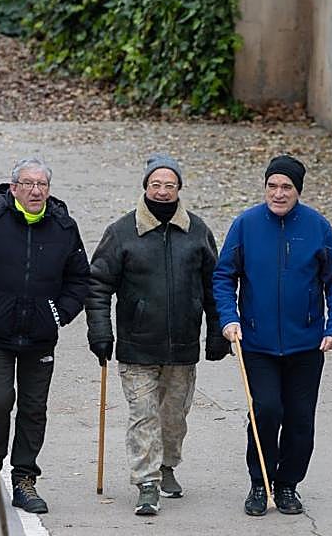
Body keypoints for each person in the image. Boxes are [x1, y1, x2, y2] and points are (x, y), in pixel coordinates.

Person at [85, 153, 230, 516]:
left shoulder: (197, 232)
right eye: (156, 184)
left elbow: (215, 287)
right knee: (143, 415)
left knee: (174, 417)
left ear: (179, 188)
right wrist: (100, 331)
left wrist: (217, 334)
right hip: (136, 346)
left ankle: (167, 467)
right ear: (145, 186)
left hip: (182, 346)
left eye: (170, 185)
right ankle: (146, 481)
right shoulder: (121, 232)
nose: (162, 191)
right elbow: (98, 285)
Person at [0, 157, 90, 514]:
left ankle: (24, 478)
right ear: (13, 188)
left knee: (33, 406)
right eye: (28, 184)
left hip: (40, 335)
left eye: (42, 185)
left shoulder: (63, 226)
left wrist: (59, 313)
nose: (36, 191)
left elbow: (80, 279)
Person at [212, 155, 332, 516]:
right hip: (256, 342)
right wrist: (229, 318)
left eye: (286, 186)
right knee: (266, 410)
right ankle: (260, 483)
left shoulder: (316, 226)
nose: (278, 193)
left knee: (300, 417)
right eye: (272, 186)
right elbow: (224, 276)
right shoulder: (246, 225)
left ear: (298, 191)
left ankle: (287, 484)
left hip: (306, 343)